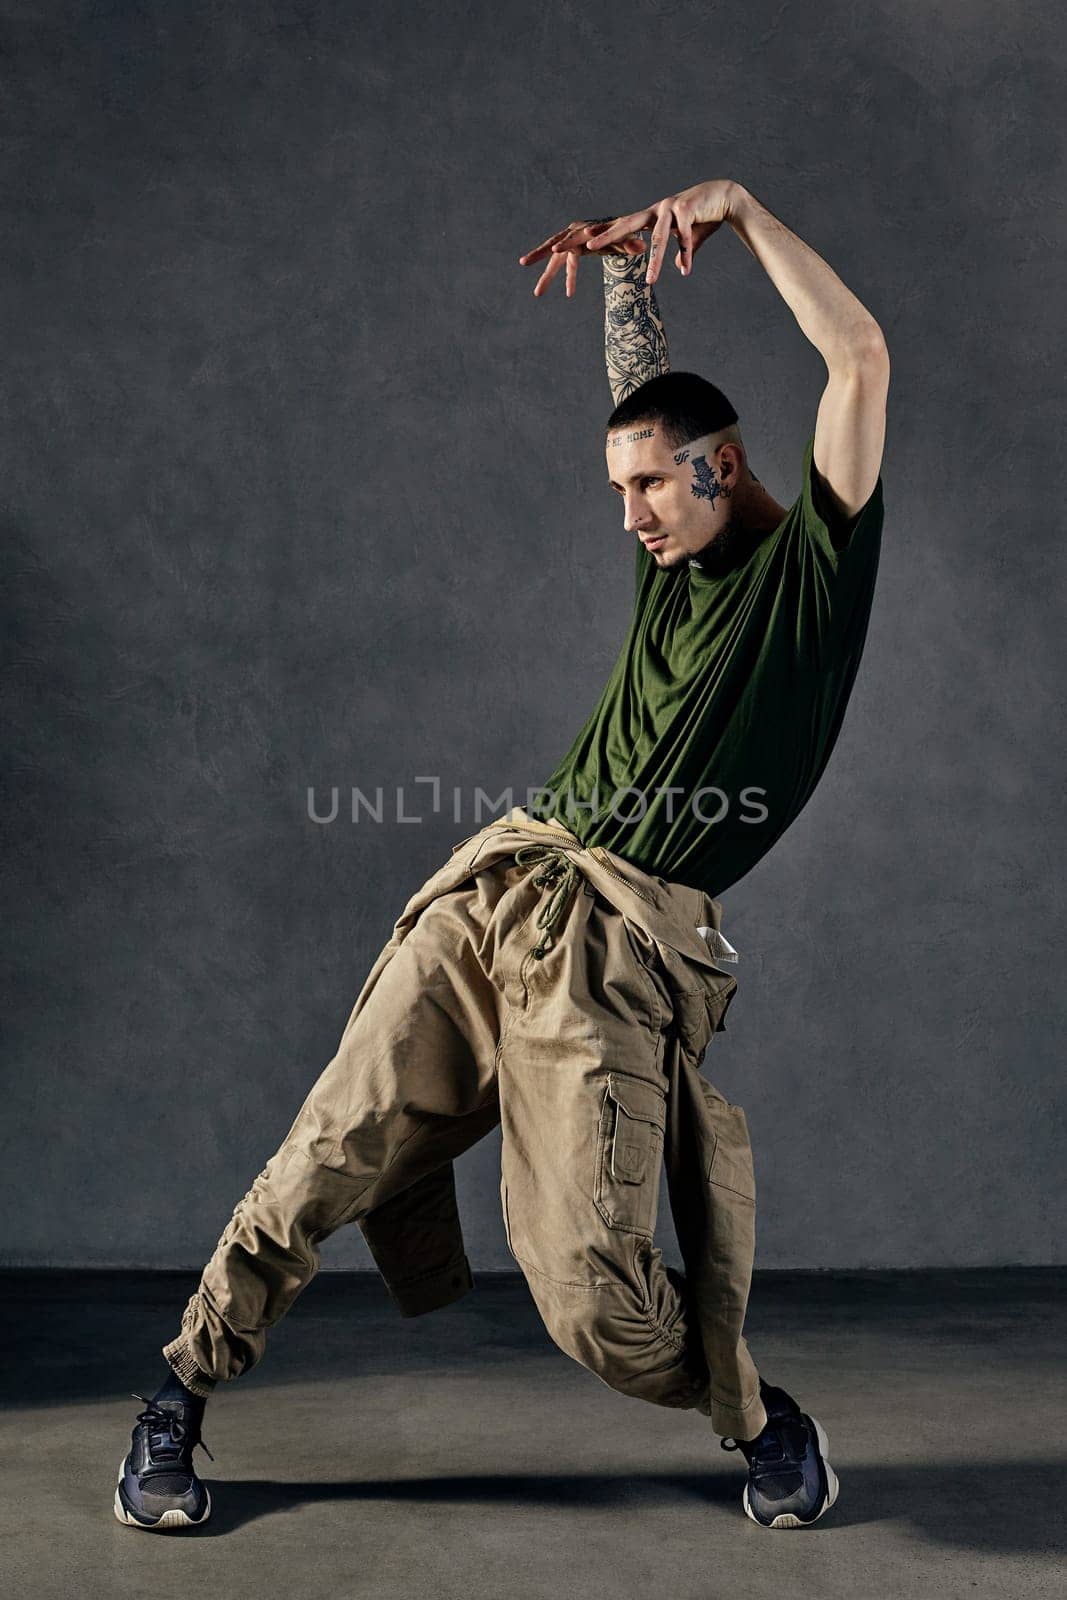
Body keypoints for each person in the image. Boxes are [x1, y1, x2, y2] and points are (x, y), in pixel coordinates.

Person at [114, 177, 889, 1534]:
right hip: (499, 894)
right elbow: (640, 376)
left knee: (590, 1287)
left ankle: (759, 1421)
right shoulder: (670, 563)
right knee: (326, 1149)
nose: (633, 513)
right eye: (619, 486)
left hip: (618, 954)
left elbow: (860, 359)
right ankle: (179, 1397)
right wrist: (617, 269)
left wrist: (746, 214)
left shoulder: (811, 589)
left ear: (724, 462)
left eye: (655, 480)